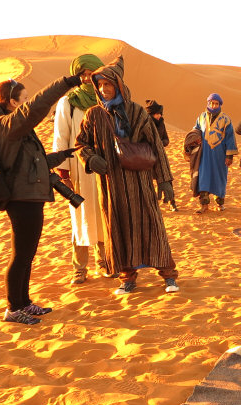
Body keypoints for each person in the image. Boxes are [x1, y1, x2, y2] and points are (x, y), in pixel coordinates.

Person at [75, 56, 179, 295]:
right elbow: (81, 144)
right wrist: (90, 158)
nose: (104, 89)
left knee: (153, 226)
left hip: (140, 183)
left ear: (119, 85)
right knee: (118, 229)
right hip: (111, 185)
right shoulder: (93, 115)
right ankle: (127, 278)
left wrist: (164, 180)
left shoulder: (137, 112)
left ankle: (169, 276)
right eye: (100, 85)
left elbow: (155, 145)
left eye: (108, 84)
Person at [0, 73, 81, 325]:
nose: (27, 103)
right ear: (13, 102)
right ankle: (13, 308)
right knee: (21, 255)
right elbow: (38, 106)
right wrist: (67, 82)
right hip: (21, 199)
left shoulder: (18, 130)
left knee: (27, 254)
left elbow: (34, 163)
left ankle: (24, 302)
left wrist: (65, 154)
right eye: (24, 99)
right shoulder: (7, 125)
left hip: (30, 196)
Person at [53, 53, 112, 285]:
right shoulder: (67, 103)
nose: (87, 79)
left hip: (104, 168)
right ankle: (79, 267)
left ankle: (103, 261)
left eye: (91, 75)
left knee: (104, 214)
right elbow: (61, 138)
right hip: (78, 169)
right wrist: (63, 174)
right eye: (83, 75)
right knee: (81, 217)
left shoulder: (106, 100)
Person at [192, 93, 237, 213]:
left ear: (220, 104)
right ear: (208, 103)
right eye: (212, 103)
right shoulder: (201, 117)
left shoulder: (226, 119)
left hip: (219, 155)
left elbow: (230, 138)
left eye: (216, 103)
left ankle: (220, 204)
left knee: (219, 178)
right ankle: (204, 205)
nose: (214, 105)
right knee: (203, 178)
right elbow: (196, 130)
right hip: (204, 154)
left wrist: (229, 156)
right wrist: (194, 139)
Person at [145, 99, 177, 212]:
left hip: (161, 157)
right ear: (151, 114)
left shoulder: (161, 123)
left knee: (167, 179)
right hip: (148, 157)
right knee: (147, 181)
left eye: (160, 114)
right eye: (157, 114)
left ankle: (172, 203)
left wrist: (160, 143)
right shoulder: (145, 124)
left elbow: (166, 139)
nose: (159, 116)